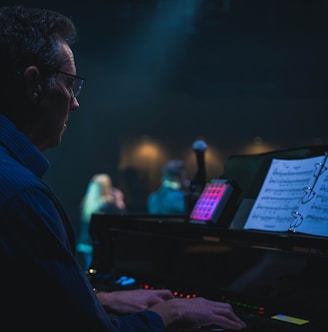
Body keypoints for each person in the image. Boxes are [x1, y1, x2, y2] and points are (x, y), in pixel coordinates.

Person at [0, 5, 246, 331]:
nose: (75, 102)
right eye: (69, 84)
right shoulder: (22, 194)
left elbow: (21, 300)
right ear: (34, 84)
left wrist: (97, 298)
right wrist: (169, 313)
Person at [76, 173, 126, 270]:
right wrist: (120, 201)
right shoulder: (108, 204)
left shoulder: (86, 202)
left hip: (85, 242)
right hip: (99, 244)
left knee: (88, 270)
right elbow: (121, 219)